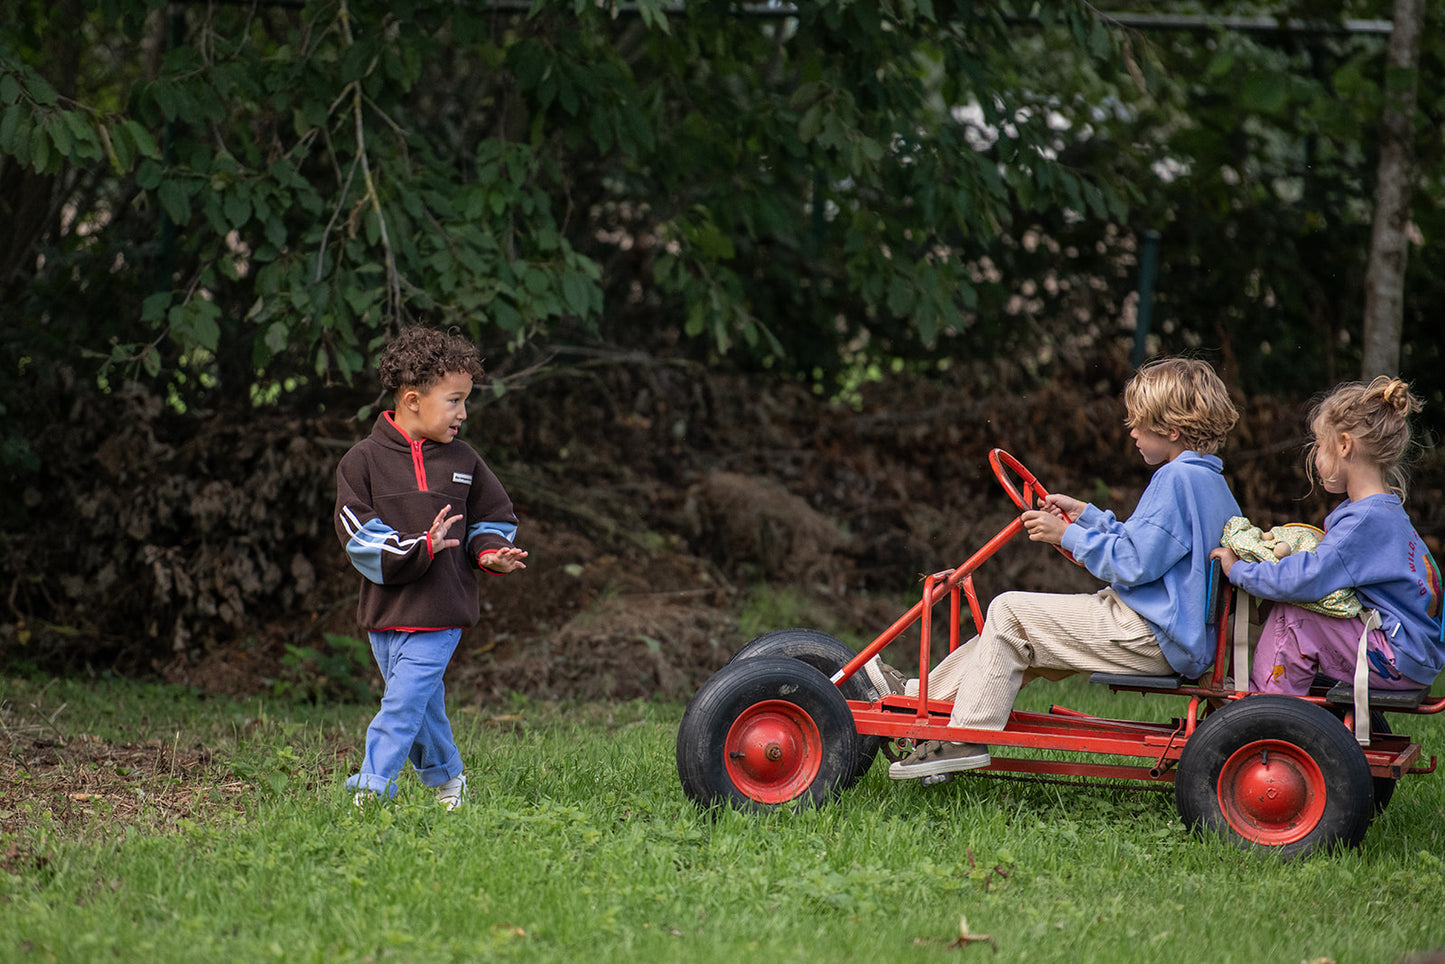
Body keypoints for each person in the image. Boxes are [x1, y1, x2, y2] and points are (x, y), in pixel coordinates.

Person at [890, 357, 1241, 780]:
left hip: (1150, 632)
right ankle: (916, 697)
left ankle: (963, 737)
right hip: (1169, 630)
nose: (1131, 432)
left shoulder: (1175, 480)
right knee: (1020, 636)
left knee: (1011, 612)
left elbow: (1131, 563)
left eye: (1139, 423)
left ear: (1172, 429)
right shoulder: (1210, 482)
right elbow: (1152, 544)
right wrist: (1087, 516)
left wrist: (1066, 535)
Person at [335, 326, 528, 808]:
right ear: (413, 399)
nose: (464, 413)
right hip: (385, 613)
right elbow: (357, 535)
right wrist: (421, 546)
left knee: (401, 705)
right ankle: (449, 780)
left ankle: (371, 789)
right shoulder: (362, 461)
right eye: (455, 400)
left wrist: (489, 553)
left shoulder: (465, 460)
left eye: (466, 401)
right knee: (422, 708)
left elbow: (494, 517)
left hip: (442, 610)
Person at [1211, 377, 1442, 696]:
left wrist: (1239, 571)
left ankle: (1263, 710)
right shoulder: (1383, 510)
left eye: (1319, 444)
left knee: (1294, 614)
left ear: (1345, 445)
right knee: (1295, 605)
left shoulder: (1363, 522)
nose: (1315, 455)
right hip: (1411, 655)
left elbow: (1307, 579)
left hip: (1395, 658)